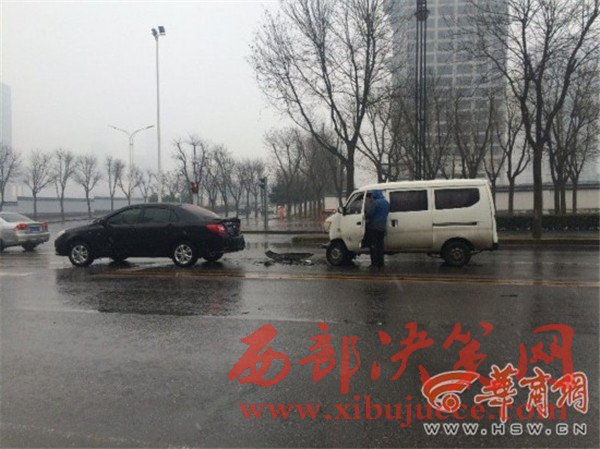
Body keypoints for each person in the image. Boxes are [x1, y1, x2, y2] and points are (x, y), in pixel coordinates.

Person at [364, 190, 389, 268]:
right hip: (382, 227)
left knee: (373, 246)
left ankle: (374, 264)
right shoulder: (386, 203)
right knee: (380, 246)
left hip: (374, 227)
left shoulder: (375, 203)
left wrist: (365, 216)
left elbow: (370, 213)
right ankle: (381, 263)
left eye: (373, 196)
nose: (372, 197)